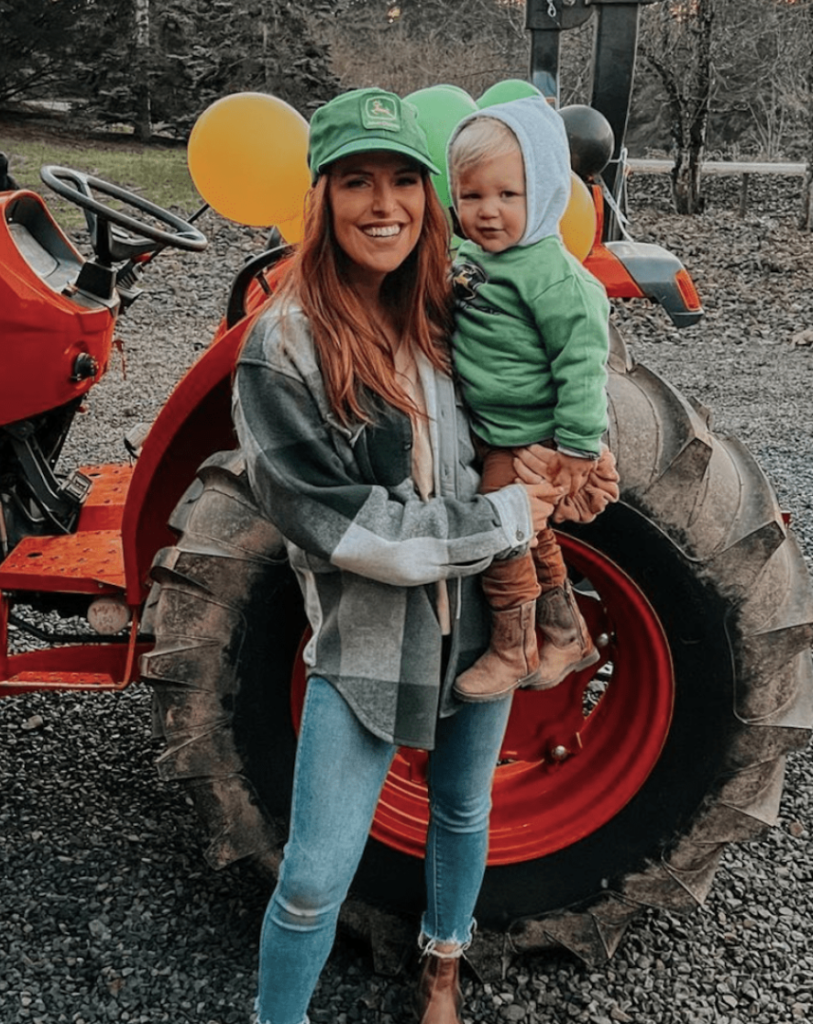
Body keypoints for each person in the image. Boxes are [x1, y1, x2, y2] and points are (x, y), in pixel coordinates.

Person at [232, 88, 559, 1024]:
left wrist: (567, 445)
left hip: (480, 633)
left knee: (460, 808)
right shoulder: (281, 349)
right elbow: (349, 529)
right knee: (310, 878)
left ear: (430, 195)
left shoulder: (458, 311)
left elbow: (546, 381)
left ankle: (442, 968)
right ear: (322, 199)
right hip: (369, 638)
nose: (384, 205)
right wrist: (504, 518)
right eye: (357, 182)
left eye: (404, 181)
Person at [445, 94, 619, 704]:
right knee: (532, 535)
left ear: (541, 191)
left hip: (534, 437)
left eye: (507, 196)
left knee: (501, 530)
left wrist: (576, 447)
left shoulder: (553, 274)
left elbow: (581, 363)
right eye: (471, 197)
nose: (487, 212)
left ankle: (512, 647)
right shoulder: (468, 256)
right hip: (493, 425)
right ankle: (567, 634)